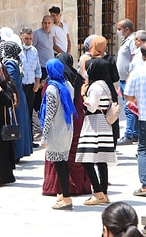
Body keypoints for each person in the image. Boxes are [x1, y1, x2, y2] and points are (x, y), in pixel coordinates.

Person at [42, 53, 92, 196]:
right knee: (73, 155)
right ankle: (77, 186)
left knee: (58, 158)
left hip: (59, 123)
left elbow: (49, 111)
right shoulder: (74, 80)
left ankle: (59, 189)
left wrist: (44, 136)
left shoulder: (53, 85)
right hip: (75, 119)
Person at [76, 58, 117, 205]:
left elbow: (91, 106)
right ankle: (104, 193)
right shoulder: (105, 84)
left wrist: (83, 95)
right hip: (104, 125)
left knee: (87, 159)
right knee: (101, 160)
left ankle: (98, 192)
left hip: (94, 125)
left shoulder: (95, 87)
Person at [39, 58, 76, 210]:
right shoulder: (67, 85)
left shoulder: (52, 88)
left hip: (56, 131)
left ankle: (66, 198)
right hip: (67, 129)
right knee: (63, 162)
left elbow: (50, 114)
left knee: (59, 164)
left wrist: (44, 135)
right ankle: (63, 193)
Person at [125, 41, 146, 197]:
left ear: (142, 55)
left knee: (144, 150)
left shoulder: (137, 71)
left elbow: (128, 96)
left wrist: (138, 99)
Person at [0, 40, 33, 161]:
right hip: (19, 96)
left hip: (15, 97)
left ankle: (16, 153)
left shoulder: (9, 64)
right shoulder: (14, 62)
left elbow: (10, 81)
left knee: (15, 123)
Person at [116, 19, 138, 145]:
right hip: (123, 79)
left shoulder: (131, 41)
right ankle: (135, 133)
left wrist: (130, 77)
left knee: (128, 108)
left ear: (127, 29)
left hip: (128, 80)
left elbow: (134, 60)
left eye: (119, 29)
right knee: (130, 108)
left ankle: (129, 135)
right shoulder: (126, 41)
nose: (118, 31)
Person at [19, 27, 42, 144]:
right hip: (20, 86)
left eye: (30, 39)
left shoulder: (34, 51)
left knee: (29, 112)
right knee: (20, 113)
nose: (28, 41)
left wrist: (37, 82)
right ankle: (21, 139)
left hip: (31, 86)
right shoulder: (17, 51)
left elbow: (38, 69)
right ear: (21, 37)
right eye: (26, 38)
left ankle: (29, 140)